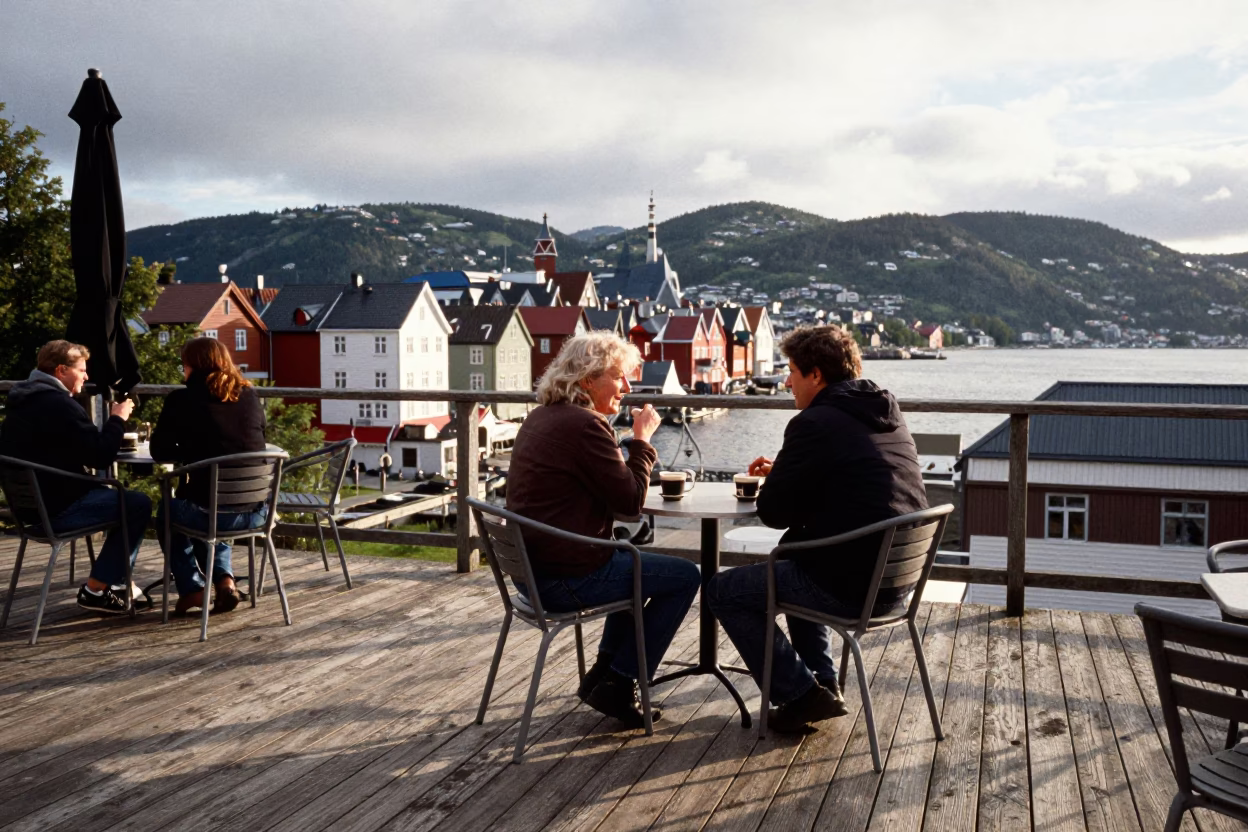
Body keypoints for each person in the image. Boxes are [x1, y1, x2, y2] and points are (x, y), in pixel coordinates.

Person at [707, 325, 927, 733]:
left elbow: (772, 512)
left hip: (851, 589)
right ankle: (823, 683)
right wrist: (795, 473)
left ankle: (799, 694)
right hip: (899, 583)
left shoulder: (814, 422)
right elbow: (857, 483)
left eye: (791, 370)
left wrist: (781, 481)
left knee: (723, 591)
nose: (786, 381)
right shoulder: (885, 412)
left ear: (816, 376)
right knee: (795, 559)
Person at [506, 332, 700, 727]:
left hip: (531, 575)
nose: (627, 388)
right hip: (563, 580)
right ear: (587, 379)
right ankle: (620, 678)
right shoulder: (586, 427)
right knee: (684, 576)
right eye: (618, 376)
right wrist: (642, 441)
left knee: (632, 566)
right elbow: (629, 506)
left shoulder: (541, 416)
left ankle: (606, 675)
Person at [0, 340, 151, 614]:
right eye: (82, 370)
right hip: (59, 510)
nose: (87, 376)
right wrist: (117, 418)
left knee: (122, 500)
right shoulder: (59, 405)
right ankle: (97, 588)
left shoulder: (21, 401)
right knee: (137, 504)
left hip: (29, 512)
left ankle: (114, 584)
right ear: (61, 370)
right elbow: (100, 456)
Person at [150, 337, 268, 615]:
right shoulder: (250, 395)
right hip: (257, 511)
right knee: (212, 506)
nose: (183, 371)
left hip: (211, 511)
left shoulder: (182, 399)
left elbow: (159, 451)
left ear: (192, 366)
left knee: (170, 511)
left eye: (184, 365)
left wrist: (188, 447)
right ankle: (224, 581)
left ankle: (192, 589)